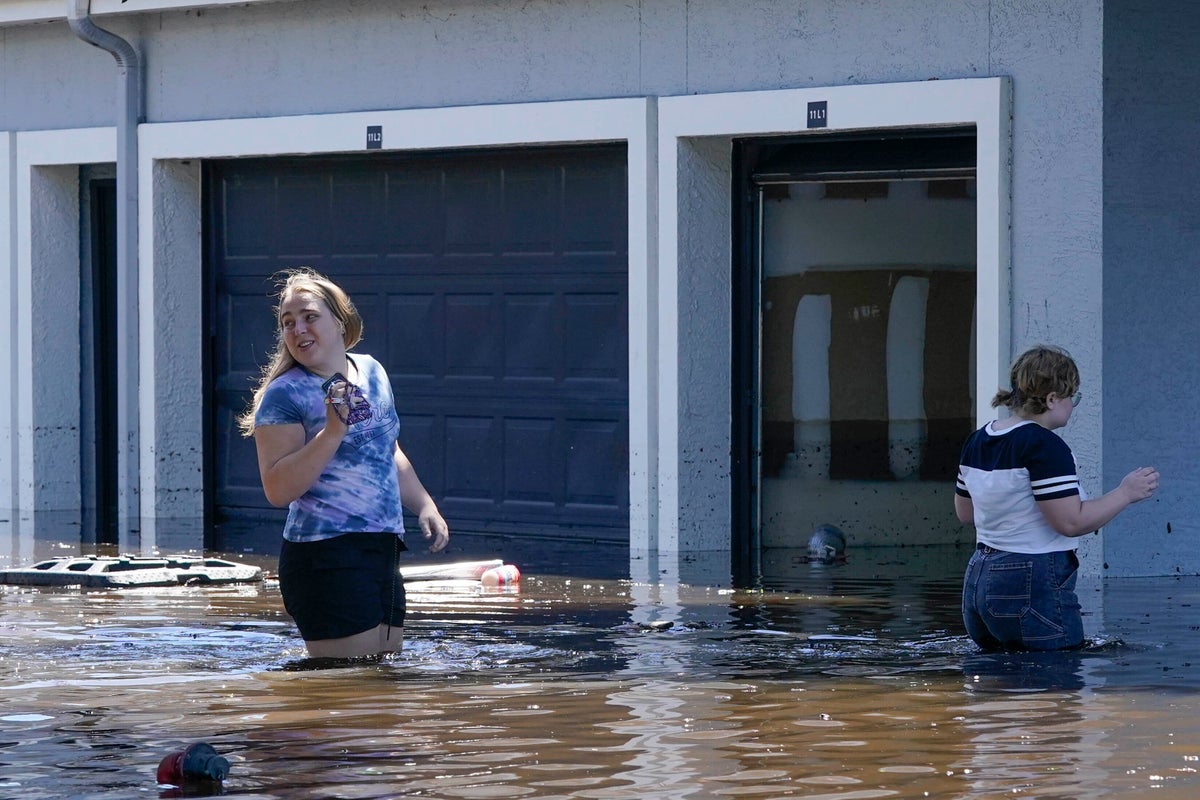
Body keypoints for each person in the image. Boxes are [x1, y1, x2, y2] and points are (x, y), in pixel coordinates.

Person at [237, 268, 449, 659]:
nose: (298, 329)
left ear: (339, 320)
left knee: (381, 678)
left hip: (382, 550)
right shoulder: (284, 396)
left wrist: (424, 505)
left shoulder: (371, 371)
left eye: (309, 317)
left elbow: (385, 449)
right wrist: (331, 433)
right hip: (325, 556)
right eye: (288, 323)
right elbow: (278, 489)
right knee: (345, 686)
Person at [955, 345, 1159, 651]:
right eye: (1071, 397)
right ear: (1052, 399)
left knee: (995, 685)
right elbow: (1070, 522)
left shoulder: (978, 439)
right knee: (1058, 682)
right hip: (1029, 579)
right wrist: (1125, 493)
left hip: (978, 581)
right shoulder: (1045, 446)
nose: (1073, 406)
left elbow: (967, 514)